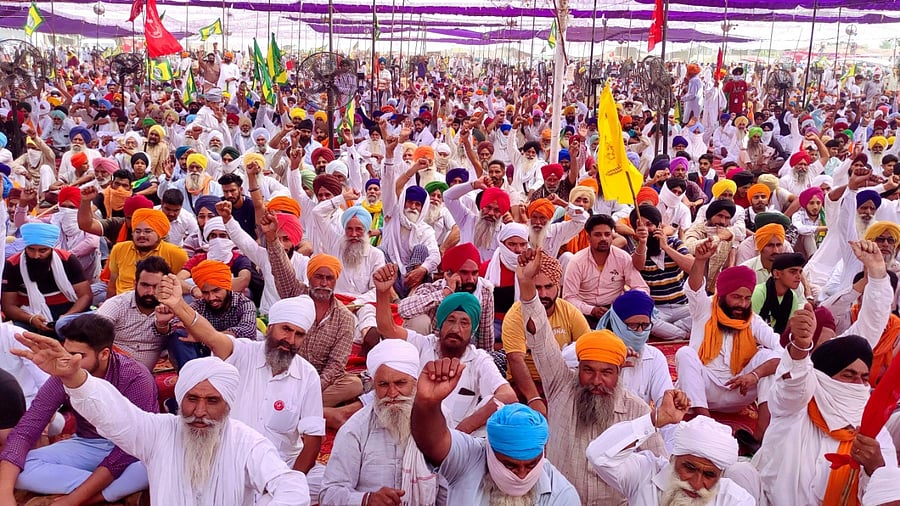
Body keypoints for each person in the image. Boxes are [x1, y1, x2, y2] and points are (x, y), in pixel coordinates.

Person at [12, 336, 311, 505]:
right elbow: (115, 413)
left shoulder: (248, 443)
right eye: (192, 399)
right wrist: (74, 377)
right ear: (179, 401)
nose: (200, 412)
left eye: (212, 401)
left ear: (228, 405)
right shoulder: (159, 431)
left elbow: (289, 484)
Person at [154, 276, 326, 502]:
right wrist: (178, 305)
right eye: (286, 329)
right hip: (229, 465)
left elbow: (313, 440)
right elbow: (211, 336)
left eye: (299, 334)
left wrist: (290, 483)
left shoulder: (308, 376)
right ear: (270, 327)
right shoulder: (242, 352)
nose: (290, 339)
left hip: (277, 472)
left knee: (328, 483)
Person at [519, 248, 665, 503]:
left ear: (620, 372)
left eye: (606, 372)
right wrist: (526, 285)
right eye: (588, 370)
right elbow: (540, 338)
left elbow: (659, 469)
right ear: (578, 368)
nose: (597, 381)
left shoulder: (638, 412)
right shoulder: (561, 387)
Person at [0, 314, 157, 505]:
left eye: (79, 356)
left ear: (104, 354)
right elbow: (26, 430)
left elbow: (133, 446)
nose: (69, 361)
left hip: (133, 450)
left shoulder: (136, 377)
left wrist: (72, 500)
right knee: (22, 469)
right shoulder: (64, 372)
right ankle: (116, 491)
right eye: (67, 352)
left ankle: (97, 495)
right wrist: (4, 492)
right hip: (89, 443)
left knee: (155, 466)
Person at [753, 326, 898, 504]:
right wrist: (799, 350)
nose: (858, 385)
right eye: (849, 375)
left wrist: (874, 468)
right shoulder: (795, 409)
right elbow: (792, 387)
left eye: (864, 378)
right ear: (824, 376)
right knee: (741, 474)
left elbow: (887, 497)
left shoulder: (873, 433)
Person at [411, 359, 581, 504]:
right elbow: (433, 442)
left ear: (542, 454)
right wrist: (427, 403)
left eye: (531, 465)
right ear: (490, 449)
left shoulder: (562, 494)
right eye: (510, 465)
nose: (521, 476)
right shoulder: (470, 459)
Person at [374, 263, 516, 434]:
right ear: (440, 324)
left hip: (456, 439)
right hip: (413, 431)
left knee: (493, 408)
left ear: (472, 330)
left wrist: (463, 430)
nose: (456, 329)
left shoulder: (478, 359)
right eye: (450, 320)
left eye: (464, 323)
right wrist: (382, 293)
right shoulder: (423, 344)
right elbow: (387, 329)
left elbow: (508, 396)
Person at [676, 239, 782, 443]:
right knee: (684, 354)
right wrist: (699, 261)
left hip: (738, 390)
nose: (742, 304)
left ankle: (759, 437)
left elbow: (782, 352)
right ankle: (704, 423)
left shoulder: (753, 320)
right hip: (701, 392)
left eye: (747, 298)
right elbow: (694, 288)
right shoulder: (703, 308)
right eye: (736, 297)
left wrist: (754, 374)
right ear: (722, 294)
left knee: (769, 358)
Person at [320, 339, 444, 505]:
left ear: (416, 383)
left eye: (400, 383)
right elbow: (329, 494)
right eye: (383, 384)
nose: (392, 393)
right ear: (373, 386)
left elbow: (451, 483)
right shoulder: (355, 429)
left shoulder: (437, 422)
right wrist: (366, 500)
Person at [587, 389, 756, 505]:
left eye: (709, 475)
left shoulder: (736, 501)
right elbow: (598, 455)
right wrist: (655, 420)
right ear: (673, 458)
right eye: (689, 468)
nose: (697, 484)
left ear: (720, 475)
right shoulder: (644, 475)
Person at [502, 252, 590, 413]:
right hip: (529, 384)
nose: (542, 294)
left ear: (559, 286)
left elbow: (588, 347)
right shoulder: (516, 314)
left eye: (548, 287)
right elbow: (515, 359)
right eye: (537, 287)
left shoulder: (569, 311)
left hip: (563, 382)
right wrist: (533, 399)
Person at [156, 260, 258, 369]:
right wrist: (163, 324)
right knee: (179, 334)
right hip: (205, 357)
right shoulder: (200, 304)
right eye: (205, 292)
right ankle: (194, 377)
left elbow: (248, 331)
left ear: (227, 287)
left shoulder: (244, 303)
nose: (211, 297)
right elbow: (175, 326)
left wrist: (204, 336)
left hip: (236, 359)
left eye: (216, 290)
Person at [398, 242, 495, 352]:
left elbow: (485, 336)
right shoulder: (436, 289)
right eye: (464, 273)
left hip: (464, 351)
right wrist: (446, 293)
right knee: (419, 321)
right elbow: (403, 309)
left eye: (474, 273)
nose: (471, 279)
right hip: (431, 349)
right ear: (449, 274)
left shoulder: (484, 292)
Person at [1, 223, 92, 337]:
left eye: (42, 250)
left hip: (67, 311)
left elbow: (85, 296)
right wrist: (31, 319)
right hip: (28, 314)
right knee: (15, 336)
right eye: (31, 249)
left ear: (51, 248)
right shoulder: (13, 264)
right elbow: (8, 305)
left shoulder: (68, 260)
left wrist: (66, 318)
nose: (36, 255)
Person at [563, 214, 650, 327]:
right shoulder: (577, 261)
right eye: (598, 235)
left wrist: (627, 302)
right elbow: (569, 298)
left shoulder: (622, 257)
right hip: (584, 311)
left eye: (607, 234)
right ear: (589, 238)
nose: (603, 238)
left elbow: (642, 287)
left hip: (616, 310)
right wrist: (592, 310)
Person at [630, 204, 694, 340]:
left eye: (650, 224)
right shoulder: (637, 251)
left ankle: (674, 328)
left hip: (682, 306)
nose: (647, 229)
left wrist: (665, 247)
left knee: (708, 310)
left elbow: (692, 268)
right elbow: (638, 266)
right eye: (641, 226)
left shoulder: (674, 243)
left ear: (659, 226)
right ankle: (683, 334)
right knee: (646, 320)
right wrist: (642, 243)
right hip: (657, 309)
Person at [97, 256, 171, 371]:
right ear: (135, 284)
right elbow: (95, 330)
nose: (150, 292)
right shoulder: (118, 304)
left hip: (143, 376)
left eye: (156, 286)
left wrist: (162, 325)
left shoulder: (172, 306)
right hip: (113, 367)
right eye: (145, 285)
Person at [106, 208, 187, 297]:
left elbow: (181, 285)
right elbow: (112, 285)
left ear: (159, 233)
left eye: (148, 231)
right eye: (137, 231)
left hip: (157, 304)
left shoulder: (176, 254)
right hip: (122, 301)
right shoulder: (119, 249)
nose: (141, 235)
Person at [443, 176, 509, 261]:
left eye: (497, 210)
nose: (491, 213)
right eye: (488, 207)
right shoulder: (467, 219)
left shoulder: (505, 232)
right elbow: (447, 196)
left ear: (502, 213)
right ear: (481, 206)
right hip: (465, 272)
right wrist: (473, 185)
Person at [751, 252, 807, 334]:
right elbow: (750, 327)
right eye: (793, 272)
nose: (798, 276)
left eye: (800, 272)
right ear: (776, 274)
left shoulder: (792, 297)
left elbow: (787, 331)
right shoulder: (759, 293)